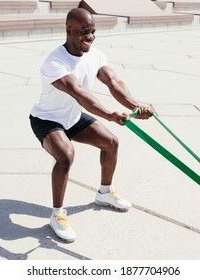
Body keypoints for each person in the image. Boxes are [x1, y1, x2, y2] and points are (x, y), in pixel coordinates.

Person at [29, 8, 153, 242]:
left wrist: (135, 107)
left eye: (94, 31)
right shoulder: (55, 62)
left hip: (73, 118)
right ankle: (57, 215)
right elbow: (79, 94)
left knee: (111, 143)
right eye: (85, 32)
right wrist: (109, 115)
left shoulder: (95, 55)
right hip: (47, 119)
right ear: (69, 30)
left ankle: (104, 193)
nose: (91, 37)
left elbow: (113, 81)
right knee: (65, 155)